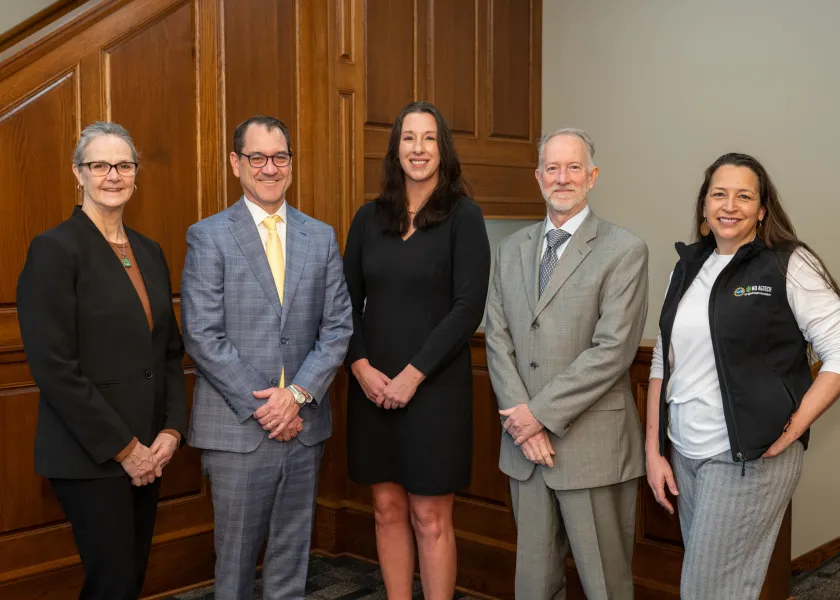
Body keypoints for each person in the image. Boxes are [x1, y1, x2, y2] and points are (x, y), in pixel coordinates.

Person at [645, 152, 840, 599]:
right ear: (703, 206)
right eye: (719, 194)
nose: (729, 205)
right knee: (720, 590)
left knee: (707, 592)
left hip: (748, 460)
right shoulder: (687, 267)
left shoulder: (788, 263)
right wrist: (654, 451)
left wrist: (795, 427)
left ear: (762, 209)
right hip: (687, 456)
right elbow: (663, 361)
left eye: (744, 196)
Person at [181, 115, 352, 600]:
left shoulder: (318, 236)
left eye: (280, 157)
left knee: (291, 558)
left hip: (303, 426)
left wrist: (296, 397)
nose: (270, 168)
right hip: (238, 429)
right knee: (233, 566)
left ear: (291, 164)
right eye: (257, 157)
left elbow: (338, 326)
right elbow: (202, 334)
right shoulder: (209, 235)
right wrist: (268, 406)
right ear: (236, 164)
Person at [16, 121, 186, 600]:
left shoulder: (149, 251)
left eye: (124, 165)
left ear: (137, 173)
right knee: (111, 584)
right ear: (78, 173)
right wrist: (125, 449)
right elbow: (53, 367)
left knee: (129, 580)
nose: (113, 175)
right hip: (91, 454)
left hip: (151, 449)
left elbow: (169, 352)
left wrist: (170, 432)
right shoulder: (54, 250)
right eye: (100, 165)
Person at [485, 128, 648, 600]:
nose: (563, 178)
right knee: (534, 587)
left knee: (606, 586)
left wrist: (537, 416)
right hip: (524, 451)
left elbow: (612, 351)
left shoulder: (624, 250)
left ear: (592, 176)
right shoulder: (510, 250)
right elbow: (497, 339)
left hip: (592, 448)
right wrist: (523, 423)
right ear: (538, 178)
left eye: (573, 167)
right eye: (552, 168)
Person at [343, 101, 490, 600]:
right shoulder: (367, 219)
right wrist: (361, 368)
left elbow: (467, 307)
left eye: (429, 138)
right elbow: (345, 303)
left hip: (435, 390)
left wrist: (412, 375)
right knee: (386, 508)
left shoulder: (464, 218)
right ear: (396, 148)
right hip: (372, 387)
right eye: (409, 138)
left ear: (442, 149)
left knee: (430, 515)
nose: (418, 148)